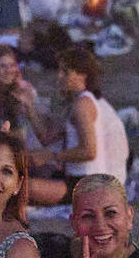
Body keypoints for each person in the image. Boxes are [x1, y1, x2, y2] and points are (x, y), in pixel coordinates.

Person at [22, 45, 129, 204]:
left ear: (82, 75)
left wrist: (52, 156)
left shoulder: (83, 105)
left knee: (22, 188)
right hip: (85, 179)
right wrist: (29, 106)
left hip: (92, 184)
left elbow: (89, 151)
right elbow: (47, 137)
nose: (59, 76)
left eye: (65, 72)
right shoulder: (79, 102)